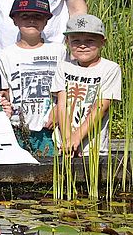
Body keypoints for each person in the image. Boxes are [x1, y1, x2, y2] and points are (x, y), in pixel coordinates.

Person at [0, 0, 67, 157]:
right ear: (15, 20)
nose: (31, 20)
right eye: (25, 16)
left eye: (38, 16)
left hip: (50, 129)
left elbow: (66, 88)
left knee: (52, 173)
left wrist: (58, 110)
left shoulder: (59, 51)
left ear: (46, 21)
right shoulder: (5, 55)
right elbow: (6, 91)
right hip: (18, 128)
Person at [52, 14, 121, 156]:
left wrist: (76, 137)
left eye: (90, 41)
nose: (82, 45)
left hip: (93, 148)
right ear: (67, 41)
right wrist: (68, 140)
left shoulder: (111, 68)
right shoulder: (63, 67)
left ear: (103, 42)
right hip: (63, 147)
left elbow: (101, 107)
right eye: (76, 40)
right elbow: (62, 103)